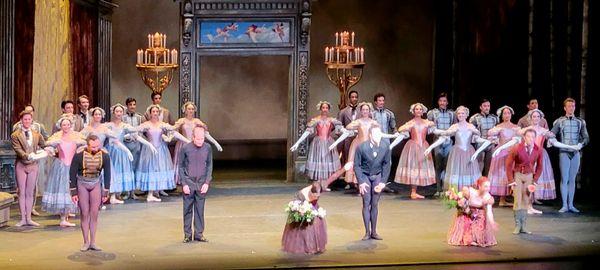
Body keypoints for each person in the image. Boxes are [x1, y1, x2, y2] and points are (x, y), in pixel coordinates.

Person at [426, 106, 491, 190]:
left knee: (467, 172)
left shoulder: (471, 127)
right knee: (457, 172)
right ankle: (457, 193)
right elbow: (444, 137)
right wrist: (431, 147)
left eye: (462, 113)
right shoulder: (454, 126)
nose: (460, 115)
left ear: (466, 115)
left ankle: (468, 193)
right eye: (459, 113)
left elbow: (485, 141)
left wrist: (476, 153)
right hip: (457, 152)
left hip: (468, 152)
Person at [136, 105, 190, 202]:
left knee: (159, 169)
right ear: (150, 113)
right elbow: (136, 134)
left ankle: (155, 192)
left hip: (161, 149)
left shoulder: (162, 124)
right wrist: (147, 143)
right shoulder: (146, 124)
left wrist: (187, 141)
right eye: (153, 111)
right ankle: (150, 194)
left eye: (157, 111)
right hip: (150, 150)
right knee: (151, 169)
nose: (155, 113)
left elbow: (174, 131)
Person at [290, 101, 347, 191]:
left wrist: (339, 140)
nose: (325, 109)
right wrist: (297, 143)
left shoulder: (332, 120)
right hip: (318, 144)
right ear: (320, 109)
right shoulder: (316, 120)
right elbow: (307, 132)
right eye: (323, 108)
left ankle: (325, 184)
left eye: (326, 108)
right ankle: (318, 185)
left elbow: (343, 131)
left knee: (326, 163)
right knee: (319, 162)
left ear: (328, 109)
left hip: (328, 143)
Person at [42, 117, 86, 227]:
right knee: (62, 189)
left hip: (73, 166)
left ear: (71, 125)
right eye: (63, 125)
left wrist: (80, 148)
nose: (66, 127)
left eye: (67, 124)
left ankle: (66, 216)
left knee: (71, 190)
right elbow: (47, 144)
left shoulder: (76, 135)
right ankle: (63, 218)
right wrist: (52, 148)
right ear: (60, 126)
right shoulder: (57, 136)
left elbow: (85, 144)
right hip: (61, 166)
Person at [69, 135, 111, 251]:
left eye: (97, 146)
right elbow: (72, 173)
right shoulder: (79, 156)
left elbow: (108, 174)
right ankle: (85, 242)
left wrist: (105, 192)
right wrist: (73, 192)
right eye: (93, 147)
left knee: (94, 214)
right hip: (82, 183)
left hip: (96, 183)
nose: (95, 148)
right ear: (87, 145)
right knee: (84, 213)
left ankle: (93, 242)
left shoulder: (104, 156)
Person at [550, 98, 589, 213]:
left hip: (576, 153)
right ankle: (564, 205)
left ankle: (571, 205)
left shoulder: (580, 122)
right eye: (569, 106)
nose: (571, 108)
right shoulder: (559, 121)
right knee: (564, 179)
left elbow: (586, 137)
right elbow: (552, 133)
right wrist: (550, 138)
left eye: (573, 106)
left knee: (572, 180)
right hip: (564, 152)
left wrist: (580, 145)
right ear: (564, 108)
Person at [390, 103, 436, 199]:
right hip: (413, 146)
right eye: (416, 109)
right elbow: (400, 129)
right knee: (414, 167)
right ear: (413, 111)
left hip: (423, 146)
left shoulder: (426, 122)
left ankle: (416, 191)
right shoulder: (411, 122)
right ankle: (413, 191)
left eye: (420, 109)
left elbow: (433, 127)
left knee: (421, 167)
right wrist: (408, 126)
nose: (418, 111)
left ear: (422, 111)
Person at [354, 126, 391, 241]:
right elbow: (357, 165)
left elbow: (386, 164)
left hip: (377, 175)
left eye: (379, 134)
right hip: (365, 176)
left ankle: (374, 232)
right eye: (375, 134)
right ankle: (367, 232)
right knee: (366, 202)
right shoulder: (361, 147)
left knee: (374, 203)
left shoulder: (385, 147)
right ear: (370, 135)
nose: (378, 136)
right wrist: (360, 182)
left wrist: (383, 182)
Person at [11, 110, 48, 226]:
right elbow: (18, 149)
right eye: (25, 119)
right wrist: (27, 156)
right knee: (21, 192)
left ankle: (29, 218)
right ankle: (23, 219)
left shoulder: (36, 134)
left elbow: (44, 144)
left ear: (32, 120)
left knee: (30, 192)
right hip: (21, 165)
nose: (27, 121)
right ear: (21, 120)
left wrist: (52, 149)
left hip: (33, 166)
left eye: (29, 119)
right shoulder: (15, 135)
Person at [173, 102, 222, 185]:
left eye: (192, 109)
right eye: (189, 109)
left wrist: (216, 143)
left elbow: (206, 133)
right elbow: (173, 131)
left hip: (195, 145)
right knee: (183, 164)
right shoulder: (181, 121)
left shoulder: (197, 121)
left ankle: (194, 181)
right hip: (184, 144)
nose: (191, 111)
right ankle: (184, 182)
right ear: (185, 110)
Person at [178, 126, 212, 243]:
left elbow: (209, 166)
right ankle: (187, 234)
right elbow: (181, 166)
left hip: (202, 183)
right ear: (193, 137)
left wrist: (207, 182)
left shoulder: (207, 148)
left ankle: (199, 234)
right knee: (187, 210)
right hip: (189, 183)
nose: (200, 141)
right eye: (198, 139)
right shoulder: (186, 148)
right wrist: (184, 184)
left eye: (202, 139)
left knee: (200, 210)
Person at [505, 129, 543, 234]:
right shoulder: (517, 148)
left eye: (532, 137)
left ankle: (524, 226)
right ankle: (517, 225)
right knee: (517, 200)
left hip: (529, 176)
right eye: (528, 136)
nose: (530, 139)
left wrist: (535, 180)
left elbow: (540, 167)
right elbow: (508, 165)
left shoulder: (538, 150)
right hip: (518, 175)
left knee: (526, 200)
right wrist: (511, 180)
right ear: (524, 137)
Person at [447, 177, 497, 247]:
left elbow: (489, 211)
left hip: (478, 214)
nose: (488, 188)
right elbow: (459, 197)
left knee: (479, 228)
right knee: (466, 226)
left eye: (489, 186)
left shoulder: (487, 197)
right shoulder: (470, 192)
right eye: (485, 186)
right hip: (467, 213)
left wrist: (492, 222)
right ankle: (469, 239)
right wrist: (457, 200)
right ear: (479, 186)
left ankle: (475, 238)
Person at [487, 106, 519, 207]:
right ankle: (502, 199)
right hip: (501, 153)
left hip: (512, 153)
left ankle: (507, 199)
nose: (507, 115)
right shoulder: (499, 127)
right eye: (505, 113)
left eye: (508, 113)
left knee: (510, 174)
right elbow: (491, 134)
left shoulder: (515, 127)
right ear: (502, 115)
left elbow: (519, 137)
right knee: (502, 174)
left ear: (511, 114)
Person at [281, 183, 327, 254]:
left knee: (316, 223)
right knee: (303, 227)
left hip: (311, 207)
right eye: (315, 196)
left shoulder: (317, 190)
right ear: (311, 193)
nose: (317, 197)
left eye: (318, 196)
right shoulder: (302, 194)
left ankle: (314, 246)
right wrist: (303, 211)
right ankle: (302, 246)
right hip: (301, 208)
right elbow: (297, 206)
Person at [427, 93, 457, 196]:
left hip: (448, 142)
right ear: (438, 102)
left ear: (447, 102)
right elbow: (430, 128)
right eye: (440, 101)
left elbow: (455, 127)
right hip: (437, 141)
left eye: (444, 101)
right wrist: (440, 133)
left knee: (447, 165)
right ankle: (438, 189)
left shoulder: (452, 114)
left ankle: (445, 189)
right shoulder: (433, 113)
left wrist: (449, 134)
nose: (442, 103)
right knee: (438, 165)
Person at [122, 97, 145, 200]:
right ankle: (126, 191)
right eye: (130, 105)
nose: (132, 106)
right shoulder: (123, 118)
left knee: (135, 167)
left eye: (134, 104)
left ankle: (133, 191)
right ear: (127, 106)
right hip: (126, 145)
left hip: (136, 144)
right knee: (127, 168)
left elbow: (141, 130)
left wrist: (137, 137)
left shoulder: (140, 117)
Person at [469, 99, 498, 176]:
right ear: (480, 107)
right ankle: (477, 184)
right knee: (479, 166)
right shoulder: (474, 118)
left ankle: (486, 185)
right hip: (480, 145)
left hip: (491, 145)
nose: (487, 108)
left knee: (489, 166)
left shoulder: (494, 118)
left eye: (488, 106)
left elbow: (497, 132)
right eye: (484, 106)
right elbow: (472, 133)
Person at [337, 90, 359, 167]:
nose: (354, 99)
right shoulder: (343, 112)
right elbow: (338, 127)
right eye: (352, 97)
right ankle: (347, 175)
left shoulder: (361, 111)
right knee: (347, 158)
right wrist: (344, 133)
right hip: (347, 139)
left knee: (358, 157)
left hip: (358, 138)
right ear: (349, 98)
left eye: (356, 97)